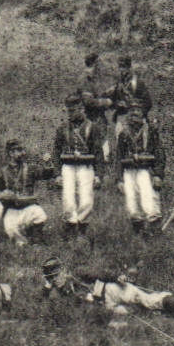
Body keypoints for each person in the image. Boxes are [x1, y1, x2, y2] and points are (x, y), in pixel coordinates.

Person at [53, 94, 105, 241]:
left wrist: (98, 175)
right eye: (68, 111)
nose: (70, 114)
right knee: (68, 200)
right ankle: (69, 228)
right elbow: (56, 151)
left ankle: (82, 230)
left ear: (82, 109)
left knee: (87, 200)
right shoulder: (63, 128)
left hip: (86, 166)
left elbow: (98, 153)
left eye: (73, 110)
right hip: (68, 166)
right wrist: (57, 173)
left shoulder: (92, 128)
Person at [0, 140, 55, 245]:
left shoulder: (30, 168)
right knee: (11, 231)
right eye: (19, 150)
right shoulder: (3, 172)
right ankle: (23, 242)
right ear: (11, 153)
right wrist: (1, 194)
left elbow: (45, 174)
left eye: (23, 150)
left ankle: (36, 240)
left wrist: (48, 163)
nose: (23, 153)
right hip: (11, 210)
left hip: (28, 207)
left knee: (39, 213)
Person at [115, 103, 164, 232]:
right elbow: (119, 156)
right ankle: (139, 233)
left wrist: (158, 174)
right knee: (131, 203)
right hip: (128, 170)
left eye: (138, 110)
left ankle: (154, 231)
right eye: (131, 110)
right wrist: (119, 179)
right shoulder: (124, 134)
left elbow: (159, 153)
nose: (134, 113)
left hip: (145, 170)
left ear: (143, 113)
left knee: (148, 200)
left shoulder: (151, 131)